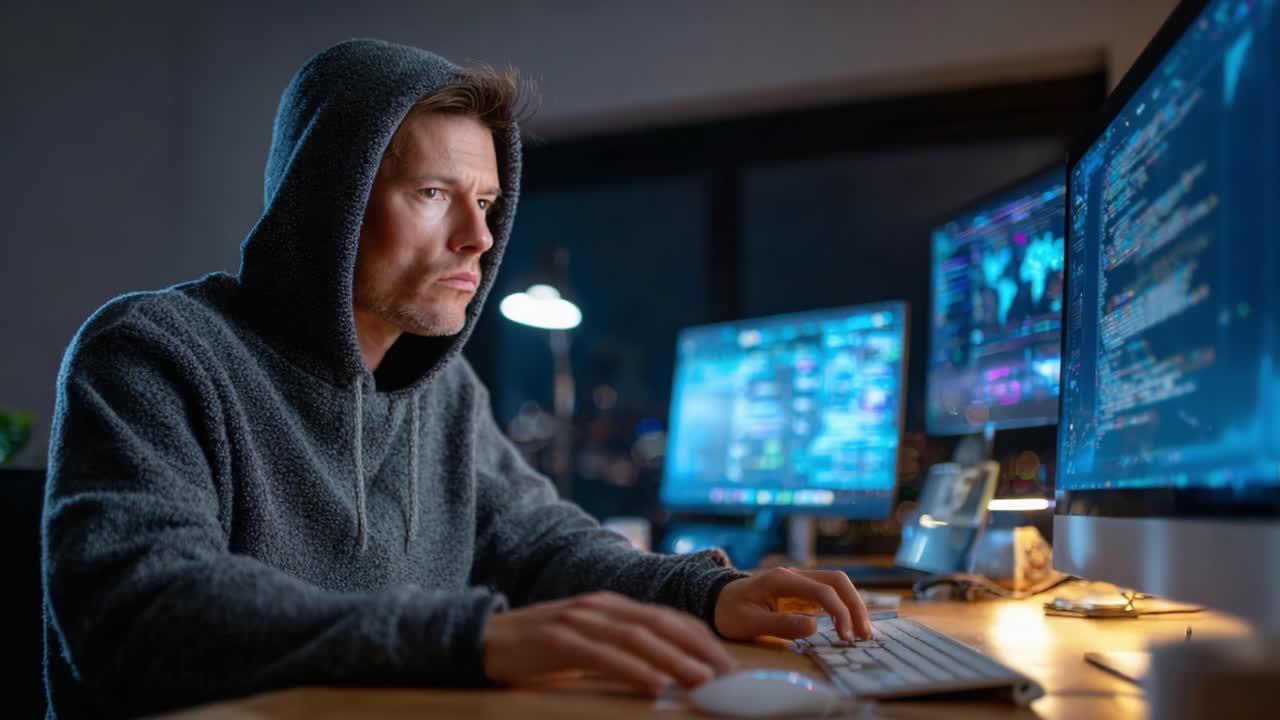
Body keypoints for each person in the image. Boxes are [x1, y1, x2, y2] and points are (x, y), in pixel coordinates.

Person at [42, 39, 870, 719]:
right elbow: (139, 611)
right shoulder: (152, 353)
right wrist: (474, 639)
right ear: (324, 205)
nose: (479, 236)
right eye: (434, 192)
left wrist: (706, 593)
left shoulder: (443, 391)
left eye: (488, 201)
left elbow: (539, 543)